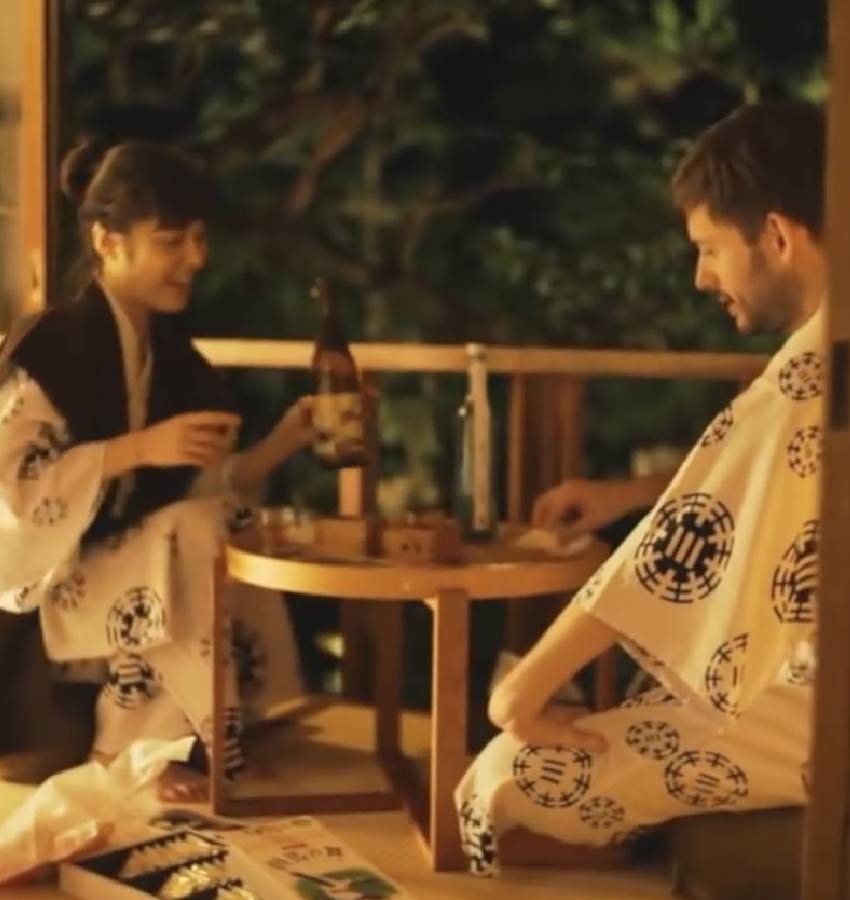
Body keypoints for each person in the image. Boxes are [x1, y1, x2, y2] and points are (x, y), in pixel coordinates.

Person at [455, 99, 826, 874]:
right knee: (648, 687)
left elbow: (680, 552)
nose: (701, 276)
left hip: (827, 700)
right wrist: (628, 497)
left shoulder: (815, 367)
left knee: (504, 780)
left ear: (780, 236)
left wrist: (521, 690)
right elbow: (773, 486)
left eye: (710, 248)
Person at [0, 138, 313, 800]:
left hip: (124, 572)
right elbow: (16, 495)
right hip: (42, 592)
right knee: (192, 532)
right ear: (108, 241)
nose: (194, 259)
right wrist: (137, 449)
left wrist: (287, 439)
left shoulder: (165, 353)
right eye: (172, 241)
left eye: (198, 239)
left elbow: (197, 488)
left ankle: (209, 736)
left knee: (221, 521)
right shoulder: (51, 346)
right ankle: (129, 752)